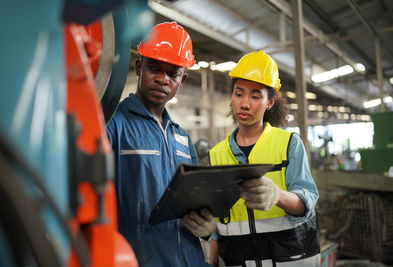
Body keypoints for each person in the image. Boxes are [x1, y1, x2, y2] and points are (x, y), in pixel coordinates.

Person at [106, 21, 215, 267]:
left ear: (182, 79)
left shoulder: (183, 138)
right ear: (138, 66)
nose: (162, 79)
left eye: (172, 73)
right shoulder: (113, 126)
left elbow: (197, 200)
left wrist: (208, 228)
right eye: (154, 68)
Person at [208, 51, 320, 266]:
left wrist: (277, 195)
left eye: (256, 96)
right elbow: (218, 224)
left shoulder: (288, 144)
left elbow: (307, 201)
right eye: (238, 94)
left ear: (270, 102)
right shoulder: (217, 154)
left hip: (289, 259)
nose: (245, 104)